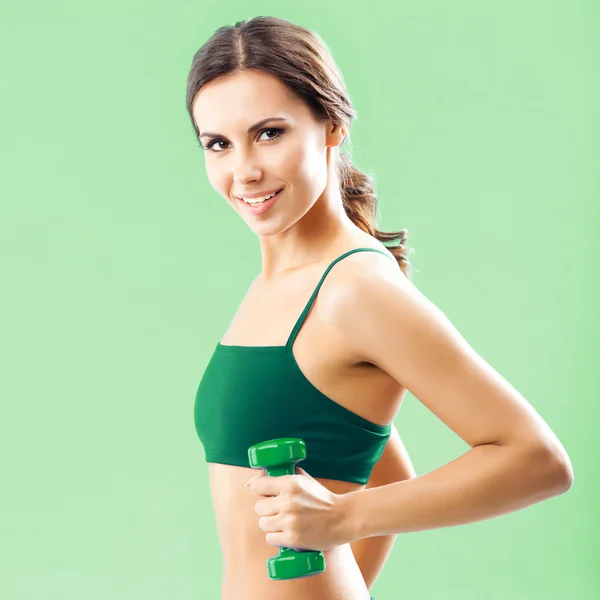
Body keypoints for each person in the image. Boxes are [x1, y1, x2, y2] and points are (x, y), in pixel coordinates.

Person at [187, 16, 573, 600]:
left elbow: (538, 460)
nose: (244, 170)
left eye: (269, 133)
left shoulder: (356, 288)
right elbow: (378, 460)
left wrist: (344, 520)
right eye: (218, 144)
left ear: (331, 126)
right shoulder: (280, 283)